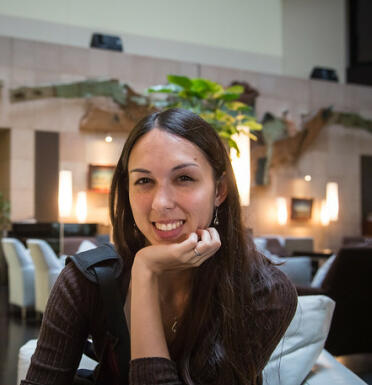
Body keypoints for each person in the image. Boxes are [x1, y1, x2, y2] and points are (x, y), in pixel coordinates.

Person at [21, 108, 297, 385]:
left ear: (219, 190)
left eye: (184, 178)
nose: (161, 203)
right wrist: (144, 270)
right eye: (144, 181)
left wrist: (146, 269)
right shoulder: (86, 281)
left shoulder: (264, 291)